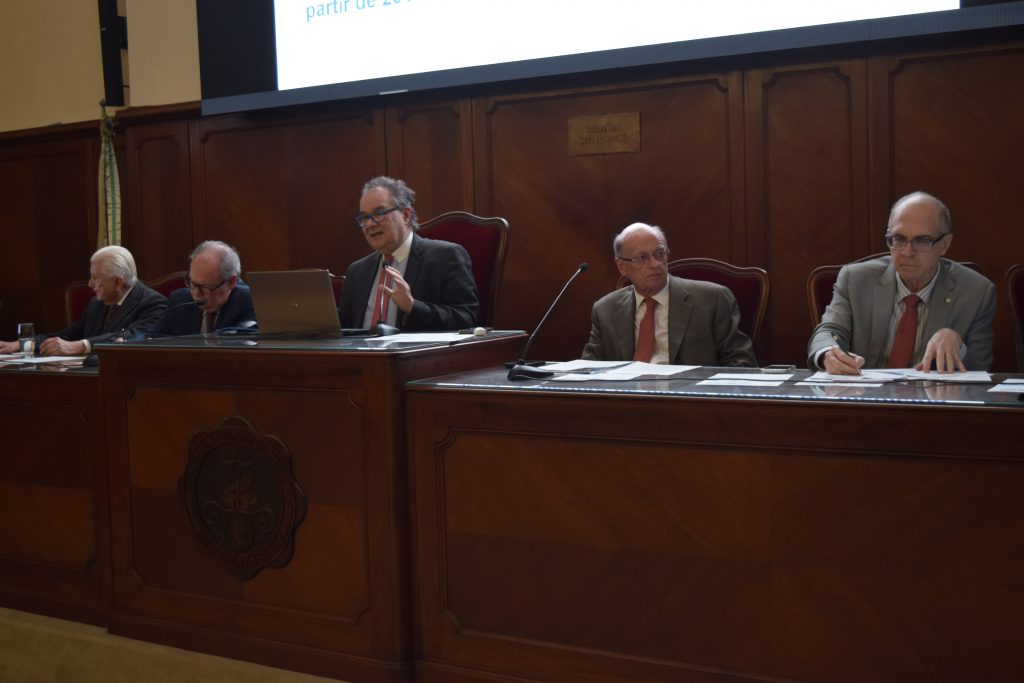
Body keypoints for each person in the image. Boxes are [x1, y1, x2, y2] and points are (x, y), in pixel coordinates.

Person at [807, 191, 996, 374]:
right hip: (863, 399)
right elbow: (829, 331)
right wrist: (828, 353)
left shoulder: (977, 292)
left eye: (922, 241)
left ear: (944, 245)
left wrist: (959, 347)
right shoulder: (855, 280)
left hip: (933, 402)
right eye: (898, 239)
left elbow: (981, 370)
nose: (907, 252)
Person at [581, 222, 756, 366]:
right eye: (642, 258)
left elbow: (742, 364)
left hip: (689, 401)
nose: (655, 264)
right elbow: (588, 369)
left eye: (659, 254)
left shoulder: (713, 300)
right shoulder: (605, 310)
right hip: (627, 403)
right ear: (622, 267)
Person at [339, 176, 478, 331]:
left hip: (416, 354)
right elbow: (345, 326)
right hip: (360, 354)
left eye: (379, 213)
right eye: (364, 217)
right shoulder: (357, 270)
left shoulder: (446, 257)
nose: (370, 224)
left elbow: (465, 319)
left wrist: (412, 307)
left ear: (405, 215)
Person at [0, 246, 166, 356]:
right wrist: (24, 345)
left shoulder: (153, 304)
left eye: (96, 277)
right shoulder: (97, 303)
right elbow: (67, 337)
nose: (90, 283)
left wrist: (81, 346)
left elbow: (130, 338)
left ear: (118, 282)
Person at [147, 241, 255, 336]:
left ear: (232, 282)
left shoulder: (251, 302)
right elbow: (151, 334)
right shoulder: (180, 300)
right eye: (193, 284)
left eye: (206, 287)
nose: (197, 295)